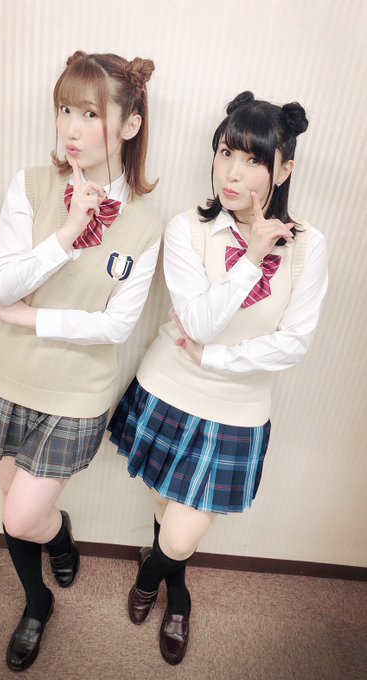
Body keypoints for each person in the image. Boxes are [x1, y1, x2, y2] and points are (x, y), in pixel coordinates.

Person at [108, 91, 328, 665]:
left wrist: (214, 359)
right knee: (166, 507)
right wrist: (251, 256)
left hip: (236, 411)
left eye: (253, 160)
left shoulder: (308, 247)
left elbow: (293, 344)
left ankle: (157, 578)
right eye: (226, 152)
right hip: (166, 390)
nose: (232, 172)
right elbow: (200, 322)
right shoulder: (188, 228)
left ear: (284, 170)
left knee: (179, 533)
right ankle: (176, 590)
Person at [0, 50, 161, 672]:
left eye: (90, 114)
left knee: (21, 514)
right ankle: (39, 596)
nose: (71, 128)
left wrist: (32, 317)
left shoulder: (146, 223)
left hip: (78, 392)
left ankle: (53, 540)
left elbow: (115, 326)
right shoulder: (30, 185)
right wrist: (65, 234)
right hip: (11, 377)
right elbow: (1, 283)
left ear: (129, 124)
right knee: (19, 518)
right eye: (64, 110)